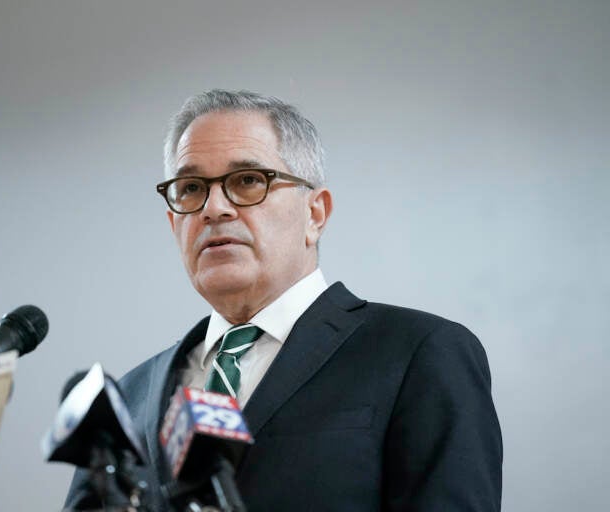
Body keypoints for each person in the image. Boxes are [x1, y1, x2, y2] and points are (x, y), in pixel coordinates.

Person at [65, 90, 503, 511]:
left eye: (249, 180)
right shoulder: (129, 397)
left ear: (315, 214)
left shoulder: (419, 353)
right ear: (172, 223)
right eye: (191, 188)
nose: (213, 208)